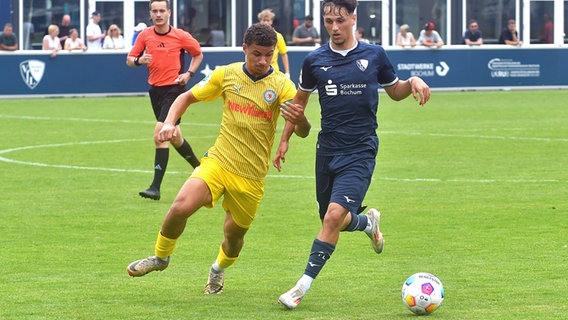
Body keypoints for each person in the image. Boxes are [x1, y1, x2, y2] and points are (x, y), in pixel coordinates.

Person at [273, 0, 431, 310]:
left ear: (353, 18)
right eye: (328, 20)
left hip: (360, 149)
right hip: (327, 149)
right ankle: (367, 223)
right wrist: (286, 139)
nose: (333, 27)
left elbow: (395, 90)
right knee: (334, 220)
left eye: (339, 20)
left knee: (332, 218)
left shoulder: (374, 55)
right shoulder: (313, 60)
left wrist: (413, 80)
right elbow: (298, 108)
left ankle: (300, 288)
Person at [126, 23, 301, 296]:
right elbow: (185, 97)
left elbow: (303, 129)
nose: (263, 61)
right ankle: (161, 258)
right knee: (180, 207)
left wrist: (299, 122)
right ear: (245, 49)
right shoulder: (226, 74)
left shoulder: (281, 84)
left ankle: (218, 269)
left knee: (234, 238)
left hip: (251, 176)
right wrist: (169, 123)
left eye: (268, 54)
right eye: (257, 54)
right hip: (219, 161)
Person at [127, 0, 203, 200]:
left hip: (175, 89)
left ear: (169, 12)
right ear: (150, 14)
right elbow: (129, 59)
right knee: (175, 136)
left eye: (162, 10)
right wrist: (139, 60)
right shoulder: (145, 35)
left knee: (160, 134)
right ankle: (201, 168)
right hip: (156, 91)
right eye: (155, 11)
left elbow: (198, 54)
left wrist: (189, 74)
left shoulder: (180, 36)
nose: (158, 14)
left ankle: (155, 188)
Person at [258, 8, 291, 78]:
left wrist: (287, 72)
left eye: (268, 20)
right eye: (264, 20)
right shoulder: (255, 36)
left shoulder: (278, 36)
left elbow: (284, 54)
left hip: (273, 70)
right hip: (258, 70)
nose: (266, 23)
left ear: (271, 21)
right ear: (260, 21)